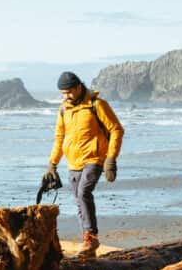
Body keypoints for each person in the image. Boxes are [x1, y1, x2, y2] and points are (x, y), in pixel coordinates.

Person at [41, 71, 124, 256]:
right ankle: (88, 243)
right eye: (63, 93)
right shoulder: (63, 110)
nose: (66, 96)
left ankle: (91, 238)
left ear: (79, 87)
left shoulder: (97, 105)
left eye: (69, 92)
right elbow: (59, 138)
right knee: (79, 200)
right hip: (73, 161)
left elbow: (116, 129)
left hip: (94, 158)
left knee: (83, 192)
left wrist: (111, 159)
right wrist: (52, 164)